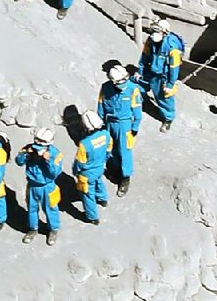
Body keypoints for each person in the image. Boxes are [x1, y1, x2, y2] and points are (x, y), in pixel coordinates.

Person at [97, 62, 142, 196]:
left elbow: (137, 112)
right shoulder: (105, 88)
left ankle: (125, 178)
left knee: (124, 151)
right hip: (110, 122)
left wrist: (134, 128)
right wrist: (101, 124)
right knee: (111, 148)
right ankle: (116, 170)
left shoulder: (132, 89)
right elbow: (100, 106)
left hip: (124, 124)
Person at [15, 128, 63, 245]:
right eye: (37, 140)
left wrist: (48, 161)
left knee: (51, 209)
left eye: (42, 142)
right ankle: (33, 228)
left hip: (47, 186)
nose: (39, 143)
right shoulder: (28, 148)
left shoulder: (55, 154)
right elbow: (18, 161)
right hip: (32, 185)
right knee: (31, 208)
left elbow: (55, 173)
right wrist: (26, 153)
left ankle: (53, 229)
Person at [137, 18, 184, 132]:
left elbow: (174, 68)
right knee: (136, 84)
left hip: (163, 76)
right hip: (151, 70)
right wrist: (140, 72)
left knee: (164, 98)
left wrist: (170, 84)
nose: (153, 35)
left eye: (157, 32)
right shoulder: (150, 41)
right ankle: (142, 102)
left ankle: (168, 119)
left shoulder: (172, 47)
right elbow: (144, 56)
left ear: (164, 33)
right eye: (152, 31)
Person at [72, 110, 111, 225]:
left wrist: (75, 172)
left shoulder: (85, 144)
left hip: (87, 173)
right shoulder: (106, 135)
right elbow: (108, 150)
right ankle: (102, 199)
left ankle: (92, 217)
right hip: (99, 167)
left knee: (87, 194)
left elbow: (80, 162)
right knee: (99, 181)